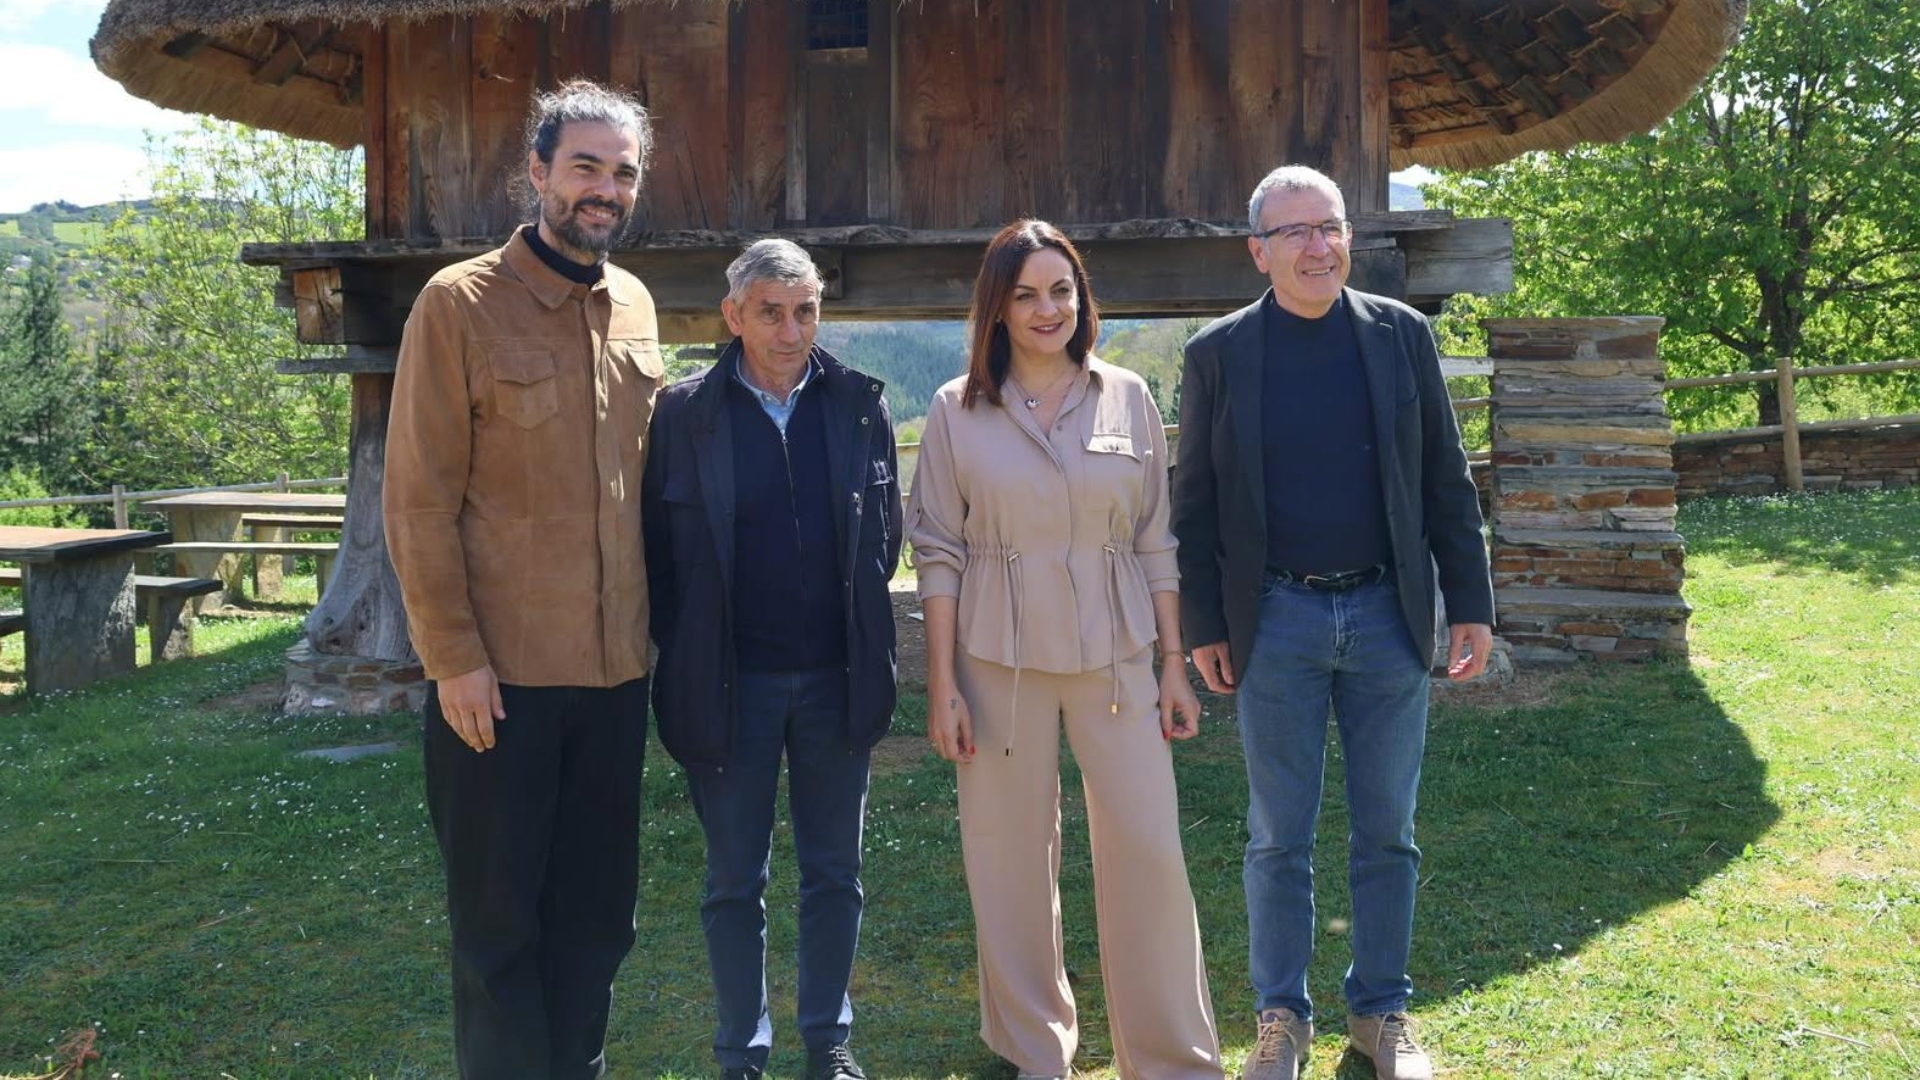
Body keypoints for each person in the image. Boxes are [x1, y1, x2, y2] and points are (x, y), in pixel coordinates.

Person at [1170, 165, 1495, 1080]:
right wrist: (1205, 622)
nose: (1318, 246)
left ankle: (1380, 1015)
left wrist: (1468, 601)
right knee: (1279, 835)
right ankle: (1283, 1020)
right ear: (1259, 251)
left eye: (1331, 227)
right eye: (1296, 232)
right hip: (1275, 619)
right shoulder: (1219, 355)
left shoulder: (1402, 338)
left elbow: (1445, 478)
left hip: (1390, 614)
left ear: (1349, 238)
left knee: (1388, 829)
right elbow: (1190, 502)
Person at [383, 80, 662, 1079]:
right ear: (536, 171)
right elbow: (417, 502)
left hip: (615, 679)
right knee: (500, 933)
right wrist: (452, 659)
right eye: (585, 165)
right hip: (497, 687)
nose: (605, 188)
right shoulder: (456, 305)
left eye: (623, 172)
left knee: (597, 921)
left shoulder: (634, 305)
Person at [908, 219, 1224, 1080]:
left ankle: (1170, 1060)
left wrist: (1173, 662)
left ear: (1082, 298)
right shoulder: (952, 409)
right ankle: (1031, 1051)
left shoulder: (1128, 396)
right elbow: (936, 551)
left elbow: (1158, 539)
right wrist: (942, 686)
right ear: (996, 310)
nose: (1048, 308)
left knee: (1152, 855)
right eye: (1025, 294)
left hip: (1120, 661)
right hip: (995, 666)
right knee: (1007, 862)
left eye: (1061, 290)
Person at [642, 239, 901, 1080]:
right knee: (732, 881)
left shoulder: (858, 404)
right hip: (728, 685)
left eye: (806, 310)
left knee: (835, 874)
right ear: (733, 316)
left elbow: (884, 535)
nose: (792, 331)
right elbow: (660, 552)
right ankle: (739, 1053)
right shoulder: (684, 415)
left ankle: (828, 1044)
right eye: (771, 312)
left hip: (836, 678)